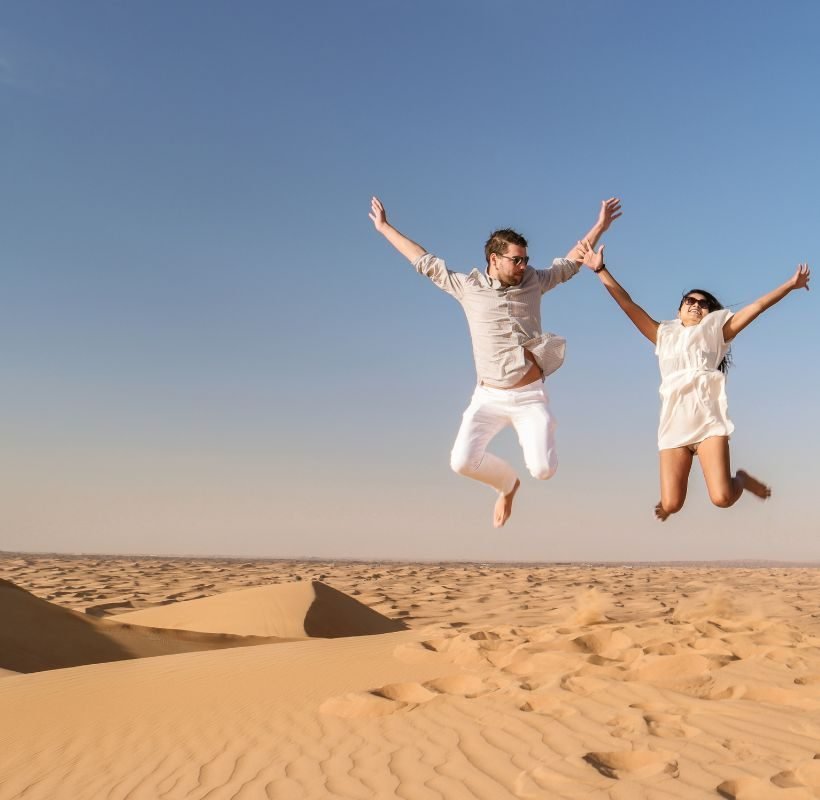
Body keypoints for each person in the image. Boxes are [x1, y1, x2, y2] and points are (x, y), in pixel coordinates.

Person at [369, 195, 622, 527]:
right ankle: (508, 485)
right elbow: (423, 261)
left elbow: (570, 263)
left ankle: (544, 428)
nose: (524, 265)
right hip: (488, 397)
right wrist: (385, 228)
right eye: (516, 260)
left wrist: (601, 225)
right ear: (494, 258)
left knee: (544, 470)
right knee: (461, 462)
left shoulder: (533, 281)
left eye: (526, 259)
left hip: (529, 395)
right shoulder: (467, 287)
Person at [579, 239, 810, 520]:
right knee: (672, 504)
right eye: (690, 301)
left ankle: (742, 480)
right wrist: (600, 269)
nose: (696, 306)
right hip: (674, 423)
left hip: (707, 421)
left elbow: (758, 306)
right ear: (679, 309)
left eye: (704, 304)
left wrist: (790, 285)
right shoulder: (662, 333)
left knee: (722, 498)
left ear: (710, 313)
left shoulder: (716, 334)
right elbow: (628, 305)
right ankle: (673, 502)